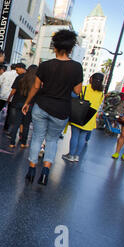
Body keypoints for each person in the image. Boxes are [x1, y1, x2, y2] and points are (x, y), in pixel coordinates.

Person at [22, 29, 83, 186]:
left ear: (54, 47)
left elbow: (35, 87)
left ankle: (31, 170)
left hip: (41, 106)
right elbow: (77, 91)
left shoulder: (46, 65)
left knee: (36, 137)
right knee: (52, 141)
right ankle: (45, 174)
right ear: (70, 48)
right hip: (61, 110)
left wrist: (27, 102)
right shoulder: (76, 67)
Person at [62, 73, 104, 162]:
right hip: (90, 119)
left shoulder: (84, 88)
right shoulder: (101, 94)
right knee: (82, 138)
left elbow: (73, 96)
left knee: (75, 136)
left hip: (78, 115)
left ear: (91, 79)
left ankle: (71, 154)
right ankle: (76, 156)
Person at [6, 63, 32, 148]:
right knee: (26, 124)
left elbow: (14, 90)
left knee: (16, 123)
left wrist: (9, 98)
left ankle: (12, 143)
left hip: (17, 102)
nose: (16, 72)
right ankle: (23, 143)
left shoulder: (19, 77)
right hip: (28, 104)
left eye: (17, 70)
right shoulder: (34, 79)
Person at [0, 63, 18, 131]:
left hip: (3, 95)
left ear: (11, 67)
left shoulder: (5, 74)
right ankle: (6, 127)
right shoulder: (18, 75)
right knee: (9, 112)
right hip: (12, 97)